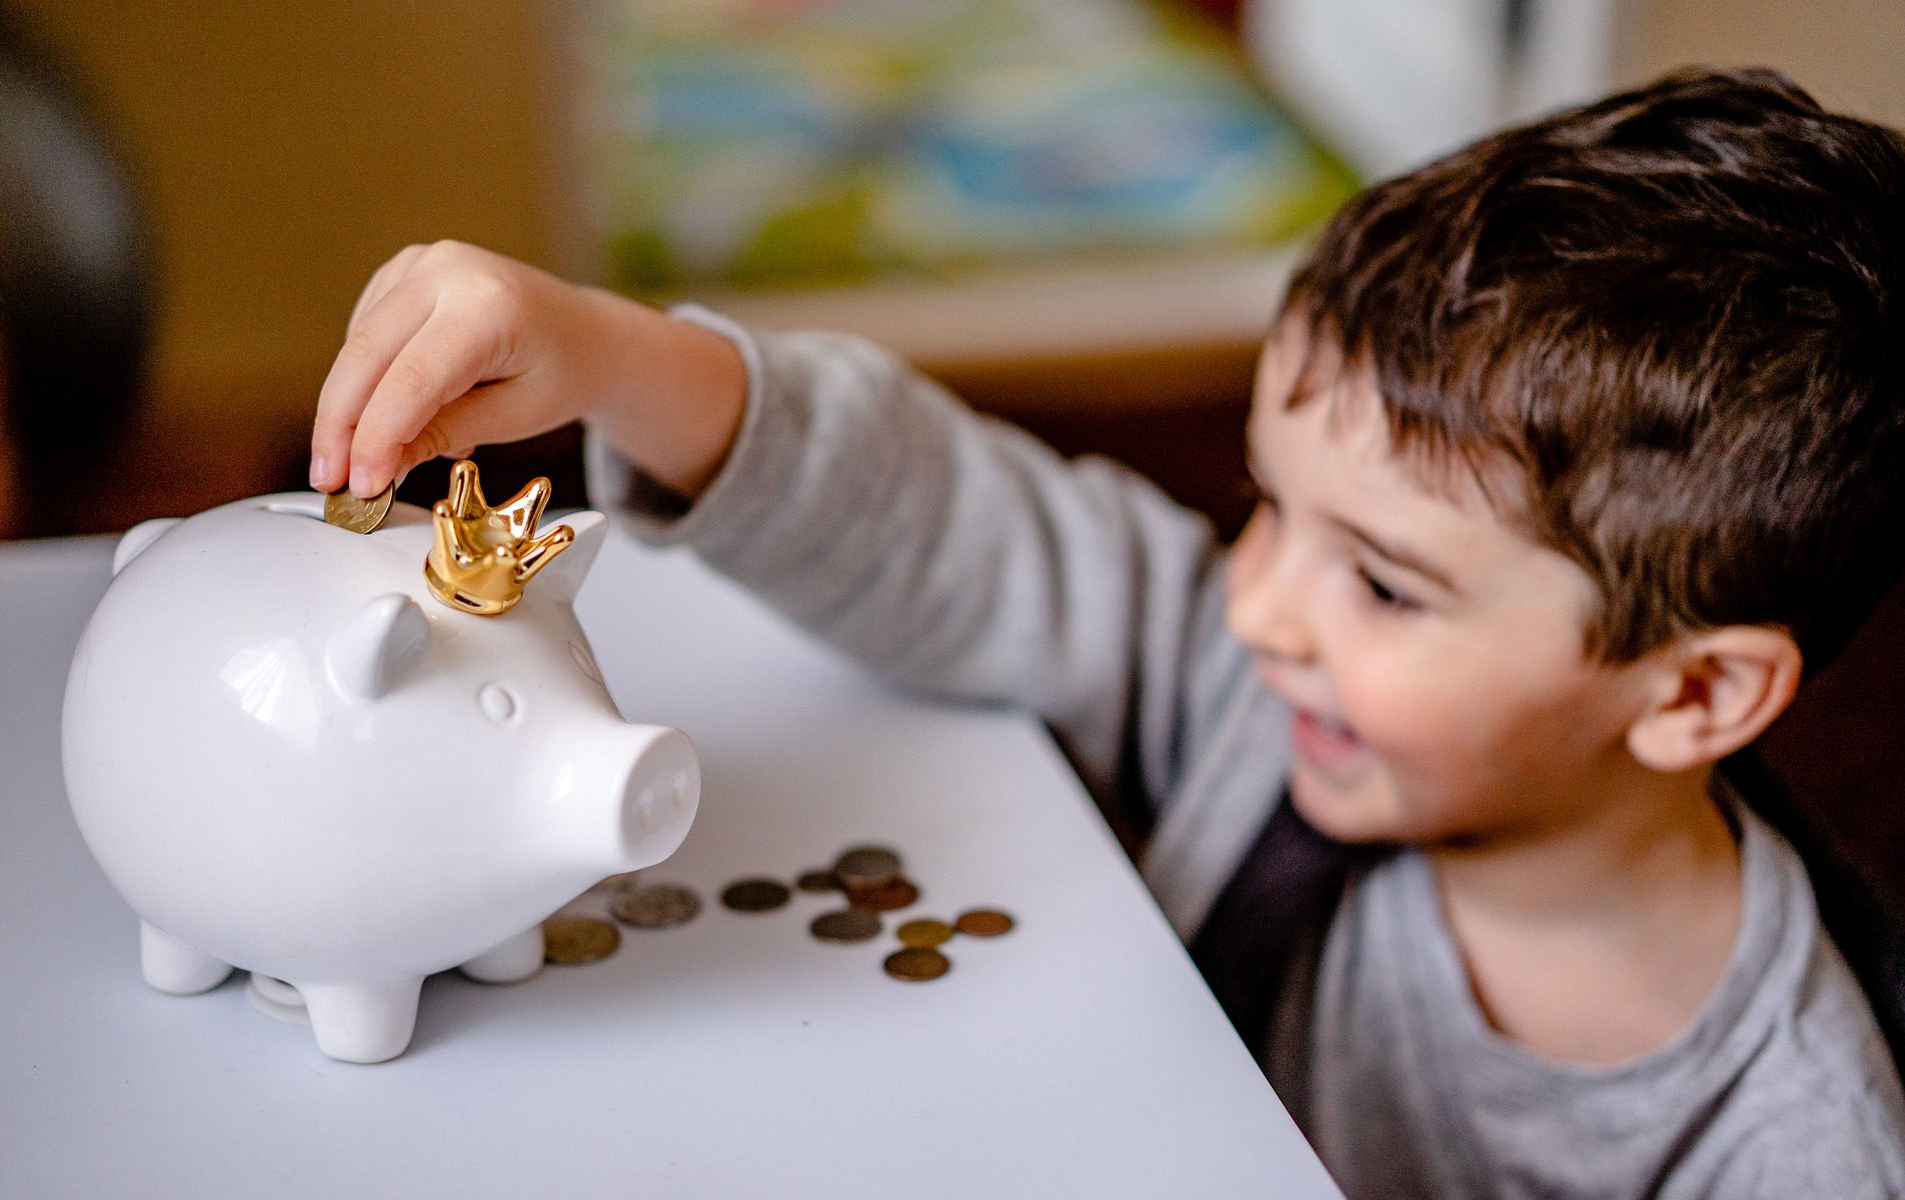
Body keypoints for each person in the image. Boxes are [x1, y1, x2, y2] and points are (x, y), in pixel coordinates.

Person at [309, 68, 1905, 1197]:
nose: (1252, 601)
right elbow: (952, 518)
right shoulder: (1271, 696)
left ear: (1694, 691)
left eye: (1385, 586)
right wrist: (612, 355)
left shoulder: (1800, 1143)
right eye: (1265, 502)